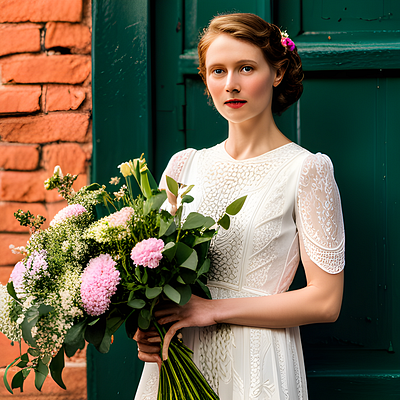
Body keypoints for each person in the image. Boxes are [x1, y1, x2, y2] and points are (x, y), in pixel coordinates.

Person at [134, 13, 345, 400]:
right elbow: (152, 274)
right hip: (177, 359)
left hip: (257, 363)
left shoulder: (306, 169)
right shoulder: (184, 166)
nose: (231, 84)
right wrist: (148, 327)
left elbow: (326, 300)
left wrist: (213, 310)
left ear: (277, 72)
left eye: (246, 68)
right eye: (217, 71)